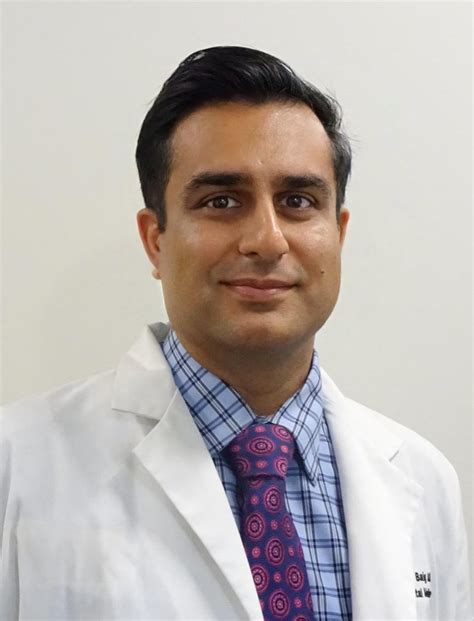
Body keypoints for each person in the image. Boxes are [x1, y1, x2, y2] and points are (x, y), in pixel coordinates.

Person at [0, 46, 471, 621]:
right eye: (221, 201)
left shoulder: (424, 479)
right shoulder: (18, 463)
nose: (267, 240)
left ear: (338, 233)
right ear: (155, 240)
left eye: (298, 201)